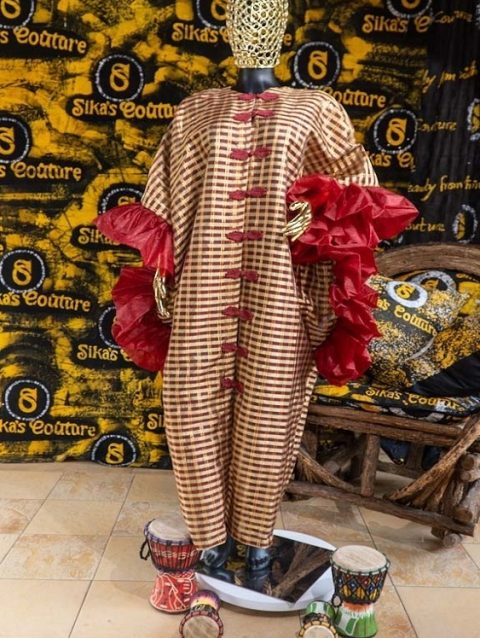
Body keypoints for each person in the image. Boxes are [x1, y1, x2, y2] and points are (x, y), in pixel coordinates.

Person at [96, 0, 417, 572]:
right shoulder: (196, 110)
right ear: (227, 26)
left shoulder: (315, 108)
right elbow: (167, 197)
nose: (254, 24)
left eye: (266, 14)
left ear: (283, 26)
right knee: (191, 409)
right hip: (202, 283)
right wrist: (160, 276)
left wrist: (315, 213)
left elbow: (356, 187)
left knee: (269, 417)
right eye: (244, 13)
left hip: (280, 286)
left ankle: (258, 540)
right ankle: (211, 541)